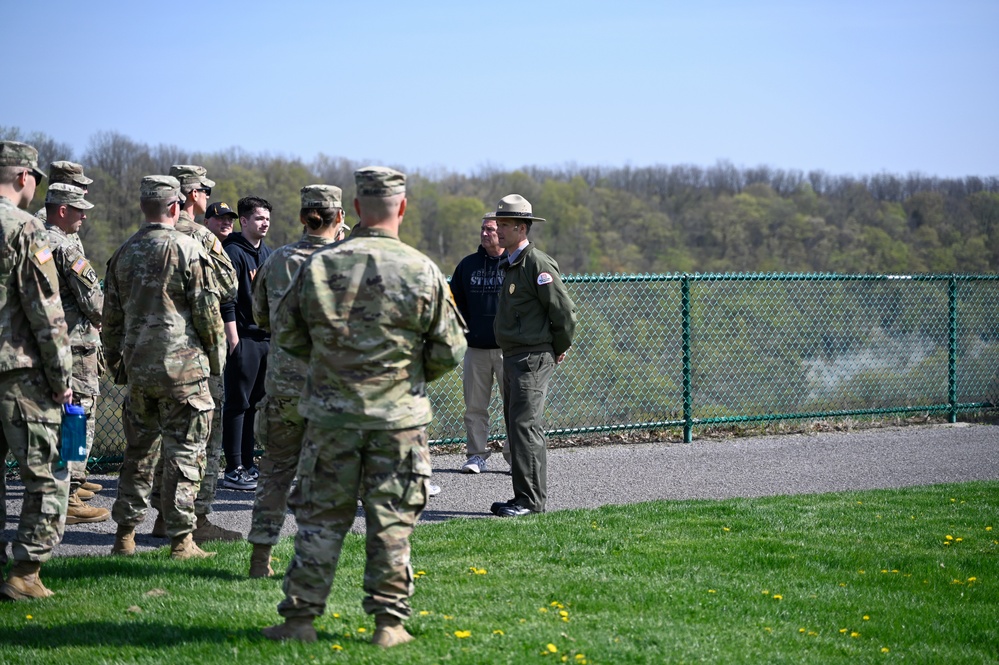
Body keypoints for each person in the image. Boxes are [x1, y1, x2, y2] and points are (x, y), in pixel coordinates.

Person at [261, 167, 466, 647]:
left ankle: (300, 620)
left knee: (320, 519)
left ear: (355, 209)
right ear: (402, 207)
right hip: (399, 420)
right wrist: (406, 378)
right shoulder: (421, 269)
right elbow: (450, 349)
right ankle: (389, 626)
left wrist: (335, 370)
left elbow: (288, 335)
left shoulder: (320, 266)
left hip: (332, 418)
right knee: (391, 522)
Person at [103, 175, 225, 560]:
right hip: (184, 372)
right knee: (186, 455)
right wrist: (216, 361)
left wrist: (118, 367)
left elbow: (111, 319)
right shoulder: (188, 248)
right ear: (176, 207)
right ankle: (181, 541)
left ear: (144, 207)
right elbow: (208, 313)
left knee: (138, 456)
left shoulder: (124, 252)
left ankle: (124, 537)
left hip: (140, 371)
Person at [247, 184, 346, 578]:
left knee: (273, 473)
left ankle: (260, 560)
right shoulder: (347, 262)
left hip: (284, 386)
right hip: (330, 391)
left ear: (304, 217)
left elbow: (260, 316)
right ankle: (313, 563)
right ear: (339, 217)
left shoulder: (276, 260)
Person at [143, 165, 241, 544]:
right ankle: (196, 518)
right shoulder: (200, 236)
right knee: (202, 439)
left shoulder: (145, 239)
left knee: (163, 439)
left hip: (150, 355)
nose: (205, 196)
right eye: (203, 190)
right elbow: (228, 285)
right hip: (196, 352)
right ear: (191, 194)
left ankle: (163, 517)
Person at [0, 141, 74, 600]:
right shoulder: (25, 228)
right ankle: (25, 573)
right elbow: (46, 312)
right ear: (25, 177)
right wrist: (63, 379)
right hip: (18, 373)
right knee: (47, 476)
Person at [487, 194, 576, 518]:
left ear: (522, 228)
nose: (498, 230)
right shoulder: (512, 263)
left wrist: (558, 347)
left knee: (525, 428)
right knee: (516, 427)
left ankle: (531, 502)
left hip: (531, 358)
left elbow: (563, 312)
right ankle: (521, 497)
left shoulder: (536, 264)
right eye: (498, 224)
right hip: (514, 357)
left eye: (505, 225)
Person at [41, 183, 110, 525]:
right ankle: (67, 498)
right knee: (76, 421)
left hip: (48, 345)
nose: (85, 215)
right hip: (76, 347)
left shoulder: (35, 241)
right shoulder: (66, 249)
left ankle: (60, 492)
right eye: (79, 208)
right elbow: (95, 302)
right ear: (63, 210)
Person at [220, 196, 273, 490]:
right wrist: (234, 340)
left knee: (254, 404)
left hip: (265, 338)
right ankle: (233, 467)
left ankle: (249, 464)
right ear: (244, 221)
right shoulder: (233, 251)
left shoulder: (268, 253)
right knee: (237, 403)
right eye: (258, 218)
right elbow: (226, 299)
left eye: (267, 218)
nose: (264, 223)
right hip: (243, 337)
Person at [451, 212, 507, 474]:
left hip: (510, 349)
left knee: (515, 407)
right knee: (474, 407)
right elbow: (455, 304)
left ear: (503, 232)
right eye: (483, 229)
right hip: (475, 349)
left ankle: (515, 459)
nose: (485, 234)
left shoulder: (515, 264)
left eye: (491, 229)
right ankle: (476, 456)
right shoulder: (468, 265)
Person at [34, 160, 93, 226]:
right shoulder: (44, 219)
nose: (86, 191)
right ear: (66, 186)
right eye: (82, 186)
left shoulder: (69, 218)